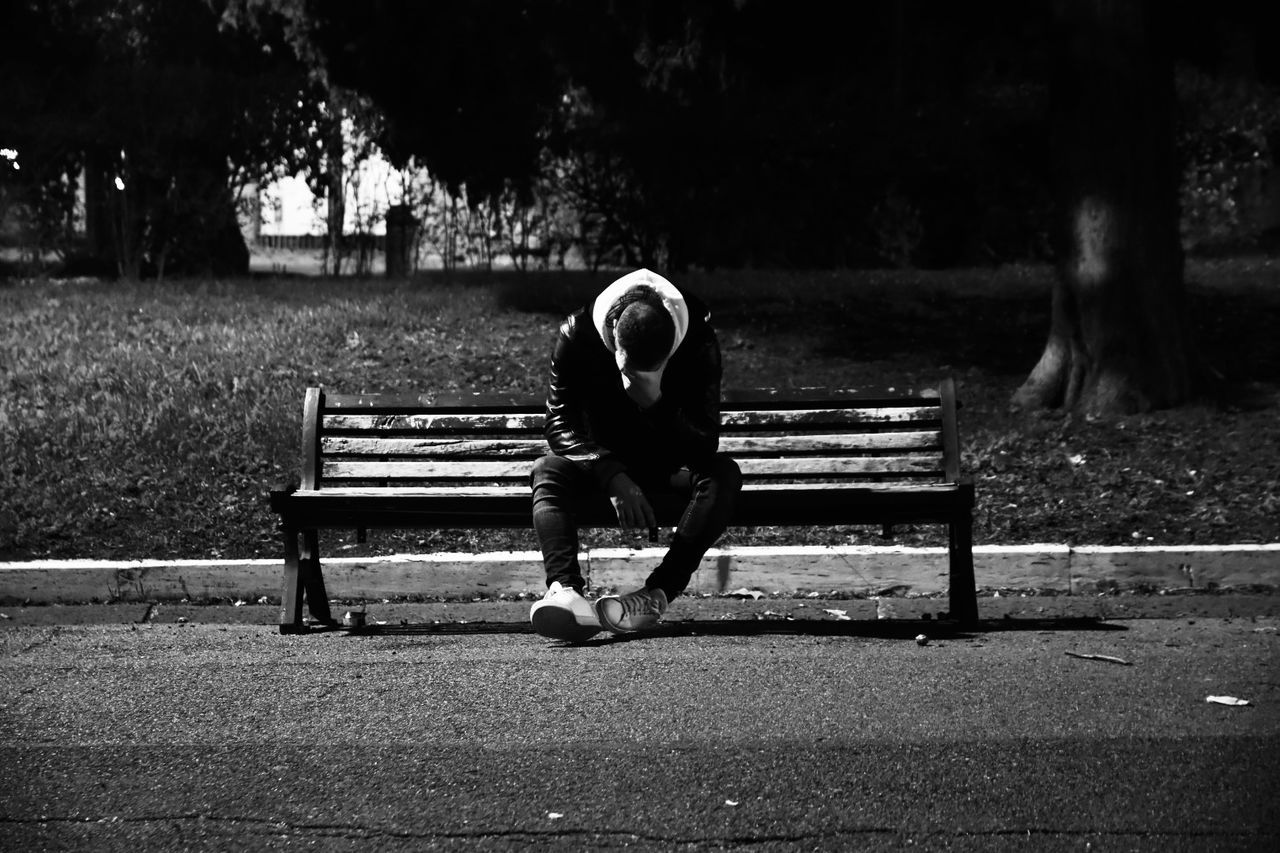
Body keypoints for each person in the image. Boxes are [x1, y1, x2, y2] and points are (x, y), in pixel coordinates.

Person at [528, 268, 742, 641]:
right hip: (601, 465)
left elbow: (705, 442)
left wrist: (656, 402)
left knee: (724, 473)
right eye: (628, 370)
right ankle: (565, 592)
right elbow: (558, 422)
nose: (634, 385)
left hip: (668, 466)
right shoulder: (577, 334)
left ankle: (655, 596)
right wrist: (610, 473)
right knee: (548, 470)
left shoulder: (697, 339)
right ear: (613, 334)